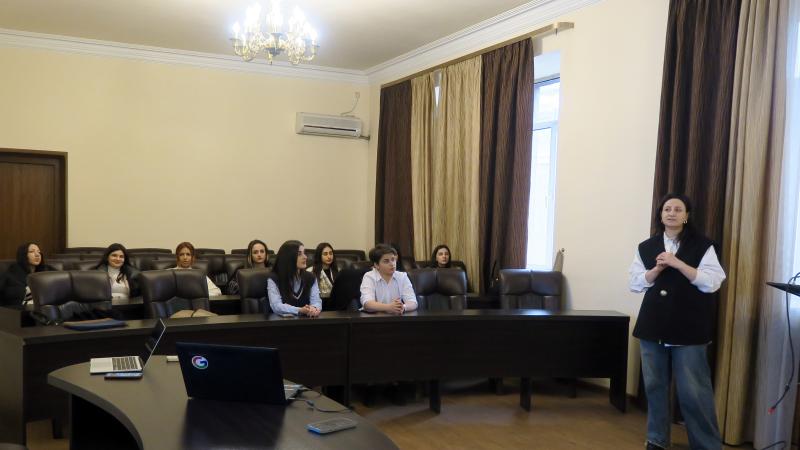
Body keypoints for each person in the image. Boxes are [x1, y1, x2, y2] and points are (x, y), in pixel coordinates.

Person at [628, 193, 726, 450]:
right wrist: (656, 270)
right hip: (652, 326)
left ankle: (706, 445)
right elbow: (636, 283)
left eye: (677, 209)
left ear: (686, 216)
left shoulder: (704, 245)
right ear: (661, 215)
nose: (671, 213)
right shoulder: (646, 246)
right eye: (667, 209)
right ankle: (657, 439)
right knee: (654, 387)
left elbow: (712, 282)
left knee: (694, 391)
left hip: (689, 327)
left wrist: (678, 263)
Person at [267, 240, 321, 317]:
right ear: (288, 257)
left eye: (304, 253)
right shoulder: (274, 278)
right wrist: (299, 310)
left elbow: (317, 301)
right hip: (283, 322)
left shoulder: (311, 277)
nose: (305, 257)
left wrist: (314, 308)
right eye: (299, 254)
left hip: (307, 320)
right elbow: (276, 306)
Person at [360, 244, 418, 314]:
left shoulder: (402, 276)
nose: (392, 264)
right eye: (386, 261)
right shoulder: (369, 277)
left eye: (393, 260)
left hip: (396, 316)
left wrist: (403, 307)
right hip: (373, 317)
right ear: (376, 265)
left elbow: (413, 302)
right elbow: (367, 304)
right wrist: (388, 307)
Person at [0, 242, 56, 306]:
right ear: (23, 255)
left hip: (46, 306)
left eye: (39, 252)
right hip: (20, 309)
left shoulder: (47, 269)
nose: (37, 255)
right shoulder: (12, 272)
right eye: (32, 252)